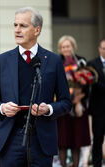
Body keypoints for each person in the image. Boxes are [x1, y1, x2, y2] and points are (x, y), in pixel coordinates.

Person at [0, 7, 72, 167]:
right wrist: (3, 108)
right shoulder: (2, 61)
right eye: (15, 25)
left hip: (42, 141)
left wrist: (48, 109)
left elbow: (66, 102)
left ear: (37, 30)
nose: (17, 30)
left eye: (23, 26)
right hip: (10, 139)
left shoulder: (53, 61)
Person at [56, 35, 91, 167]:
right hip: (62, 106)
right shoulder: (57, 61)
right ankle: (63, 165)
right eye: (63, 47)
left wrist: (78, 98)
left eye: (68, 46)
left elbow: (87, 84)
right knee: (63, 141)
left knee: (76, 140)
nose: (66, 49)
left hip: (78, 104)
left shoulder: (81, 61)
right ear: (60, 48)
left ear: (73, 47)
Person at [88, 38, 105, 167]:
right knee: (98, 140)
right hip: (98, 110)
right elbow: (92, 83)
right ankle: (97, 164)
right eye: (104, 48)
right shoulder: (92, 64)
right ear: (99, 49)